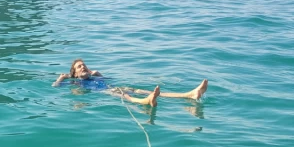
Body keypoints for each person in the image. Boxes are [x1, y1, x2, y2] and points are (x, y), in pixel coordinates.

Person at [53, 59, 207, 106]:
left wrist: (95, 72)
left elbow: (107, 79)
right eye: (79, 67)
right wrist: (62, 77)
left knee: (140, 89)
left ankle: (190, 94)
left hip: (113, 87)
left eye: (84, 64)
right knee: (124, 95)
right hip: (105, 92)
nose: (84, 67)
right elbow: (55, 87)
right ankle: (145, 102)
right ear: (75, 72)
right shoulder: (76, 83)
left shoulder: (95, 77)